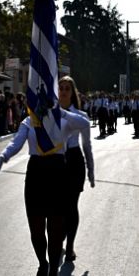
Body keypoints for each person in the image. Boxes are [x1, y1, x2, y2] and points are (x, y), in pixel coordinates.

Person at [0, 98, 90, 276]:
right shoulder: (29, 122)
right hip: (36, 173)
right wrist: (4, 155)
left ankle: (53, 269)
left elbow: (84, 123)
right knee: (36, 227)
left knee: (55, 226)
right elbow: (16, 143)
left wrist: (60, 112)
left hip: (58, 172)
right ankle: (42, 264)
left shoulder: (63, 120)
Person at [58, 76, 95, 262]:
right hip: (56, 162)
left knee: (71, 206)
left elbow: (87, 145)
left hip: (74, 161)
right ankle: (61, 233)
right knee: (58, 206)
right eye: (61, 88)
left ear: (72, 93)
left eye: (67, 88)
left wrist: (91, 171)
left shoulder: (81, 116)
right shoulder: (50, 114)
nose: (63, 91)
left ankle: (70, 245)